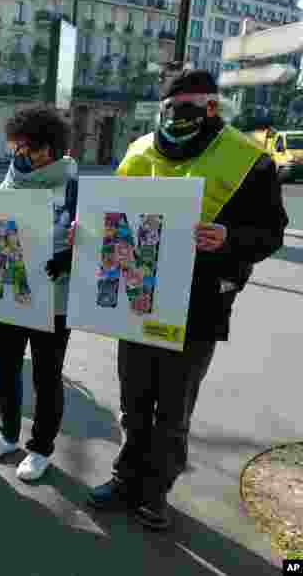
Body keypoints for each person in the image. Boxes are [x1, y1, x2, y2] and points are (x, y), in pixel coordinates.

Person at [86, 69, 287, 530]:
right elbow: (114, 215)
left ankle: (156, 492)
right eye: (176, 108)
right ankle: (125, 478)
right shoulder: (138, 151)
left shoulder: (248, 160)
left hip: (199, 305)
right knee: (134, 401)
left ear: (215, 107)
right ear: (163, 108)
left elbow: (271, 230)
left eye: (199, 107)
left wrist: (229, 237)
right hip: (138, 296)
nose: (185, 116)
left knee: (172, 410)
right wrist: (91, 231)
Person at [0, 108, 77, 480]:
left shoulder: (72, 182)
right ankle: (6, 433)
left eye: (26, 148)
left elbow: (96, 234)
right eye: (15, 147)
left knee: (47, 376)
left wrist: (71, 255)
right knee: (6, 368)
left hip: (54, 298)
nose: (19, 155)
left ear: (48, 149)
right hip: (10, 291)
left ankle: (41, 447)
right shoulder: (11, 178)